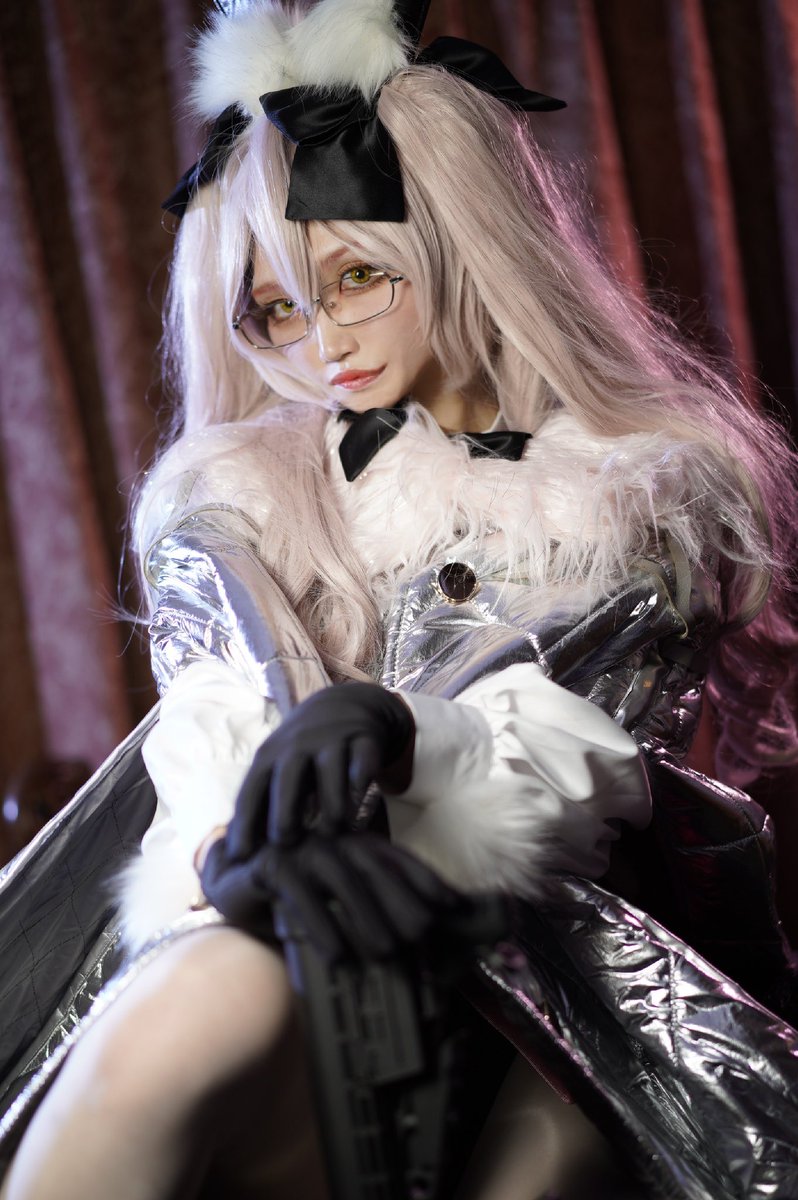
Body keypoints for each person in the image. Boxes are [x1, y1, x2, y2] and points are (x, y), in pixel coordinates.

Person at [1, 0, 798, 1196]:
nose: (321, 340)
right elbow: (214, 701)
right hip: (274, 917)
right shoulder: (242, 495)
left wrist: (402, 731)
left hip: (540, 951)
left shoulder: (636, 493)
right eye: (277, 305)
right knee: (186, 1008)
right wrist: (241, 842)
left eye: (358, 277)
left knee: (561, 1143)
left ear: (460, 244)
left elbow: (576, 757)